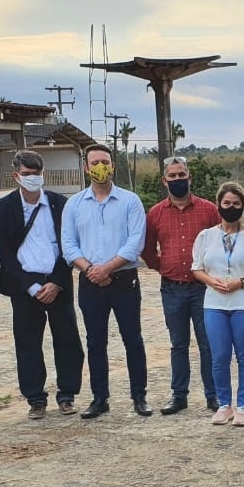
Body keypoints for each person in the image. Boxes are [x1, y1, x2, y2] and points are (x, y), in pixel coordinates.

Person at [61, 144, 151, 419]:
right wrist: (91, 270)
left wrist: (107, 268)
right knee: (95, 342)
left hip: (124, 280)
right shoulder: (74, 204)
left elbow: (135, 242)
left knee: (132, 339)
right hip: (90, 282)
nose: (100, 167)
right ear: (86, 168)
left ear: (113, 165)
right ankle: (100, 398)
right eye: (95, 162)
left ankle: (139, 396)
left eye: (105, 161)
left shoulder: (130, 201)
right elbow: (68, 244)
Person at [0, 150, 85, 420]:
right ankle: (35, 399)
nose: (32, 178)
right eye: (27, 174)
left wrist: (57, 281)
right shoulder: (4, 207)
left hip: (58, 283)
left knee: (68, 341)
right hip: (25, 286)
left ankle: (67, 395)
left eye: (37, 174)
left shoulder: (59, 203)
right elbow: (5, 253)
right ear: (16, 176)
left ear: (43, 174)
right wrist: (31, 287)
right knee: (28, 344)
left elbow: (69, 245)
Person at [191, 182, 244, 427]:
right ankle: (224, 405)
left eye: (236, 204)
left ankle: (242, 406)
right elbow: (197, 268)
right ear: (218, 204)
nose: (231, 207)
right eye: (226, 203)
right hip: (214, 303)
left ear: (243, 206)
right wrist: (211, 281)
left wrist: (240, 282)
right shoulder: (206, 237)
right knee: (219, 356)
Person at [143, 156, 221, 415]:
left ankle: (214, 395)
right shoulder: (155, 213)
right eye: (172, 176)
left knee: (208, 343)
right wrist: (164, 267)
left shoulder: (209, 210)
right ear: (164, 181)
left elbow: (222, 242)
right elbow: (147, 249)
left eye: (181, 175)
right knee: (178, 344)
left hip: (203, 288)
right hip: (172, 288)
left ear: (190, 178)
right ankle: (179, 396)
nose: (178, 180)